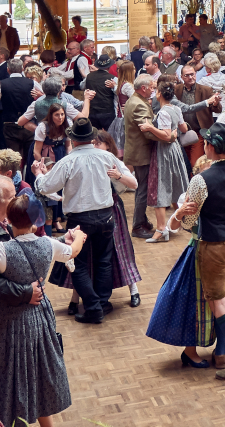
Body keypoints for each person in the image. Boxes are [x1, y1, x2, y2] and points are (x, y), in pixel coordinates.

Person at [0, 198, 84, 427]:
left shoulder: (2, 250)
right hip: (40, 317)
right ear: (36, 220)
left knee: (11, 377)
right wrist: (78, 238)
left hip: (9, 322)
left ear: (9, 220)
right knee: (39, 373)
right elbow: (71, 252)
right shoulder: (47, 244)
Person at [33, 118, 137, 324]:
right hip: (107, 217)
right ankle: (101, 303)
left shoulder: (68, 161)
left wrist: (38, 174)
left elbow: (45, 188)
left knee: (77, 264)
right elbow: (133, 182)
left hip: (80, 219)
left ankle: (93, 307)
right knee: (103, 262)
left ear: (73, 138)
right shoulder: (107, 156)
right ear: (91, 138)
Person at [173, 123, 225, 381]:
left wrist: (181, 215)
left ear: (210, 146)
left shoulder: (200, 179)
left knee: (217, 302)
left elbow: (189, 222)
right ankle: (224, 352)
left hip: (214, 245)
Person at [91, 130, 145, 308]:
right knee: (91, 253)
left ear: (107, 145)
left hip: (113, 210)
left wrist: (118, 176)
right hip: (93, 211)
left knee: (122, 249)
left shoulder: (114, 161)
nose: (95, 146)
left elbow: (135, 184)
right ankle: (83, 297)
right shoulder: (89, 160)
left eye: (98, 143)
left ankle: (134, 291)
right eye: (93, 143)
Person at [145, 80, 192, 242]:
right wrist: (174, 131)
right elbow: (184, 128)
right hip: (176, 151)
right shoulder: (176, 108)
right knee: (177, 184)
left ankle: (161, 229)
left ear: (159, 94)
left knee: (160, 187)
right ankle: (182, 222)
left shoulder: (163, 112)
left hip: (164, 152)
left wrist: (151, 128)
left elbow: (165, 136)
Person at [120, 74, 159, 240]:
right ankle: (137, 226)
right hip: (141, 152)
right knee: (142, 190)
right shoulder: (139, 105)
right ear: (143, 88)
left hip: (136, 150)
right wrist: (166, 136)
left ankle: (141, 220)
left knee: (141, 188)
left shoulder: (133, 100)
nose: (153, 90)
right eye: (151, 87)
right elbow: (148, 131)